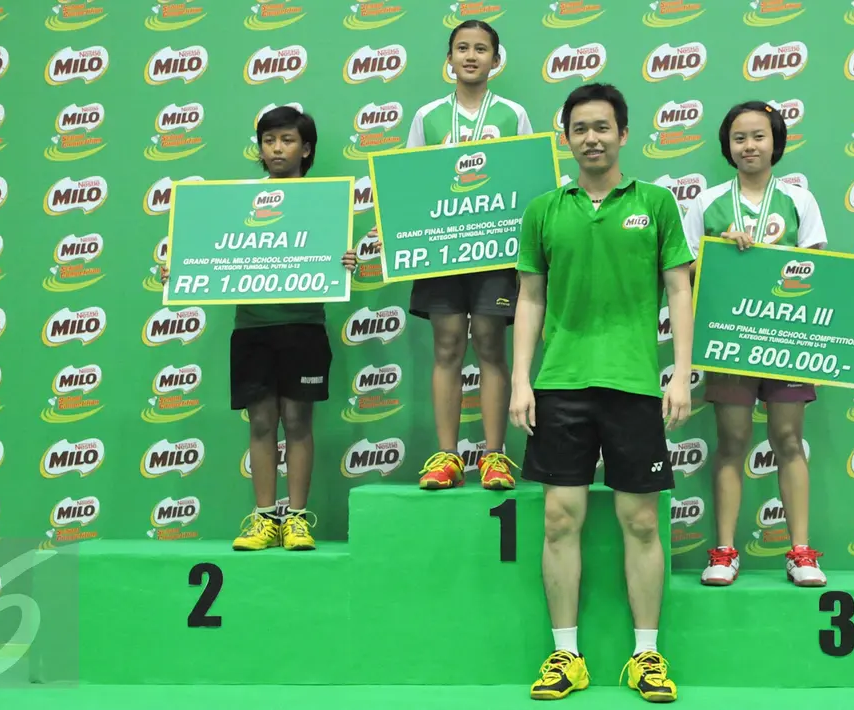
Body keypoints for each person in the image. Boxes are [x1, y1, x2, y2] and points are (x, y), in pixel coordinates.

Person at [511, 82, 693, 703]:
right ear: (566, 138)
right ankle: (566, 656)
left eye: (603, 127)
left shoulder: (657, 204)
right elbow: (530, 299)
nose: (592, 137)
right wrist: (519, 379)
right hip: (559, 384)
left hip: (635, 384)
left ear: (623, 133)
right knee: (560, 519)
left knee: (640, 519)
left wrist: (680, 370)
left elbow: (678, 290)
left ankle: (647, 656)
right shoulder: (542, 209)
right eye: (581, 128)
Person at [161, 106, 358, 551]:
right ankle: (264, 517)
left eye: (287, 140)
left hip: (303, 327)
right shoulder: (240, 203)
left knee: (298, 419)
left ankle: (297, 517)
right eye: (269, 140)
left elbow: (334, 258)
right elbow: (206, 253)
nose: (277, 148)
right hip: (252, 329)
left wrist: (346, 262)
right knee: (263, 420)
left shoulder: (325, 202)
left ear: (306, 149)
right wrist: (178, 268)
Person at [364, 19, 534, 491]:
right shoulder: (428, 117)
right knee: (447, 346)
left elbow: (525, 179)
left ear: (496, 60)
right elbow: (412, 182)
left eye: (481, 49)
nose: (472, 56)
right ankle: (446, 455)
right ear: (450, 57)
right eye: (463, 48)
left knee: (489, 343)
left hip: (494, 249)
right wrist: (393, 226)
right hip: (441, 251)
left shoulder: (512, 114)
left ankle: (495, 456)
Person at [680, 100, 828, 588]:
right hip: (731, 339)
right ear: (727, 145)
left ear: (776, 142)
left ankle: (801, 551)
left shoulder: (799, 201)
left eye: (759, 136)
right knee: (733, 443)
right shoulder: (707, 204)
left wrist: (769, 258)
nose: (749, 145)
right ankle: (724, 550)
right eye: (739, 137)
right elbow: (685, 274)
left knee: (788, 439)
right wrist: (721, 251)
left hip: (787, 338)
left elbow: (817, 270)